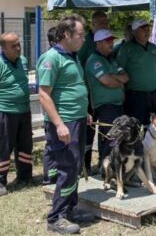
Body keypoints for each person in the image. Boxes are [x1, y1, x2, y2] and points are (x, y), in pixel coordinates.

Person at [37, 14, 95, 234]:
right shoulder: (51, 59)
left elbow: (73, 88)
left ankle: (71, 210)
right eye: (80, 35)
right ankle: (56, 218)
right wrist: (60, 124)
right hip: (64, 124)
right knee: (67, 168)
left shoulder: (73, 56)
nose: (83, 39)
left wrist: (85, 112)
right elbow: (43, 95)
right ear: (66, 35)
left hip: (77, 119)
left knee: (75, 166)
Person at [0, 32, 32, 197]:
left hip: (23, 111)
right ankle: (0, 183)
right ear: (3, 48)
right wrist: (3, 102)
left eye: (18, 44)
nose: (18, 48)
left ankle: (24, 177)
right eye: (13, 46)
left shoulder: (23, 61)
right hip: (3, 113)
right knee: (2, 148)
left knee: (25, 147)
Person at [84, 29, 128, 170]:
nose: (112, 43)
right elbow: (106, 81)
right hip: (104, 106)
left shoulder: (111, 59)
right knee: (110, 138)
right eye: (108, 41)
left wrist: (114, 77)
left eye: (112, 40)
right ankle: (107, 170)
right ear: (99, 43)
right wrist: (118, 81)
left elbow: (126, 76)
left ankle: (109, 169)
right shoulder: (94, 60)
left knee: (115, 138)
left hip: (118, 105)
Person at [74, 11, 109, 174]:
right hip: (87, 95)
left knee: (103, 131)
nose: (104, 24)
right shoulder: (85, 42)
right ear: (92, 23)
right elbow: (78, 66)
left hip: (103, 95)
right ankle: (84, 165)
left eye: (106, 21)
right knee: (87, 132)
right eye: (100, 21)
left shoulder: (107, 41)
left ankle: (104, 163)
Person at [117, 19, 156, 125]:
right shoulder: (126, 49)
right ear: (134, 32)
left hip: (153, 95)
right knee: (135, 128)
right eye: (142, 29)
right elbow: (119, 71)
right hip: (135, 97)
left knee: (155, 127)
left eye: (148, 28)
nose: (147, 31)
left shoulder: (154, 48)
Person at [42, 26, 58, 186]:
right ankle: (49, 177)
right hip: (52, 113)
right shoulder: (49, 59)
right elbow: (45, 92)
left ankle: (55, 174)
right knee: (51, 146)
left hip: (62, 113)